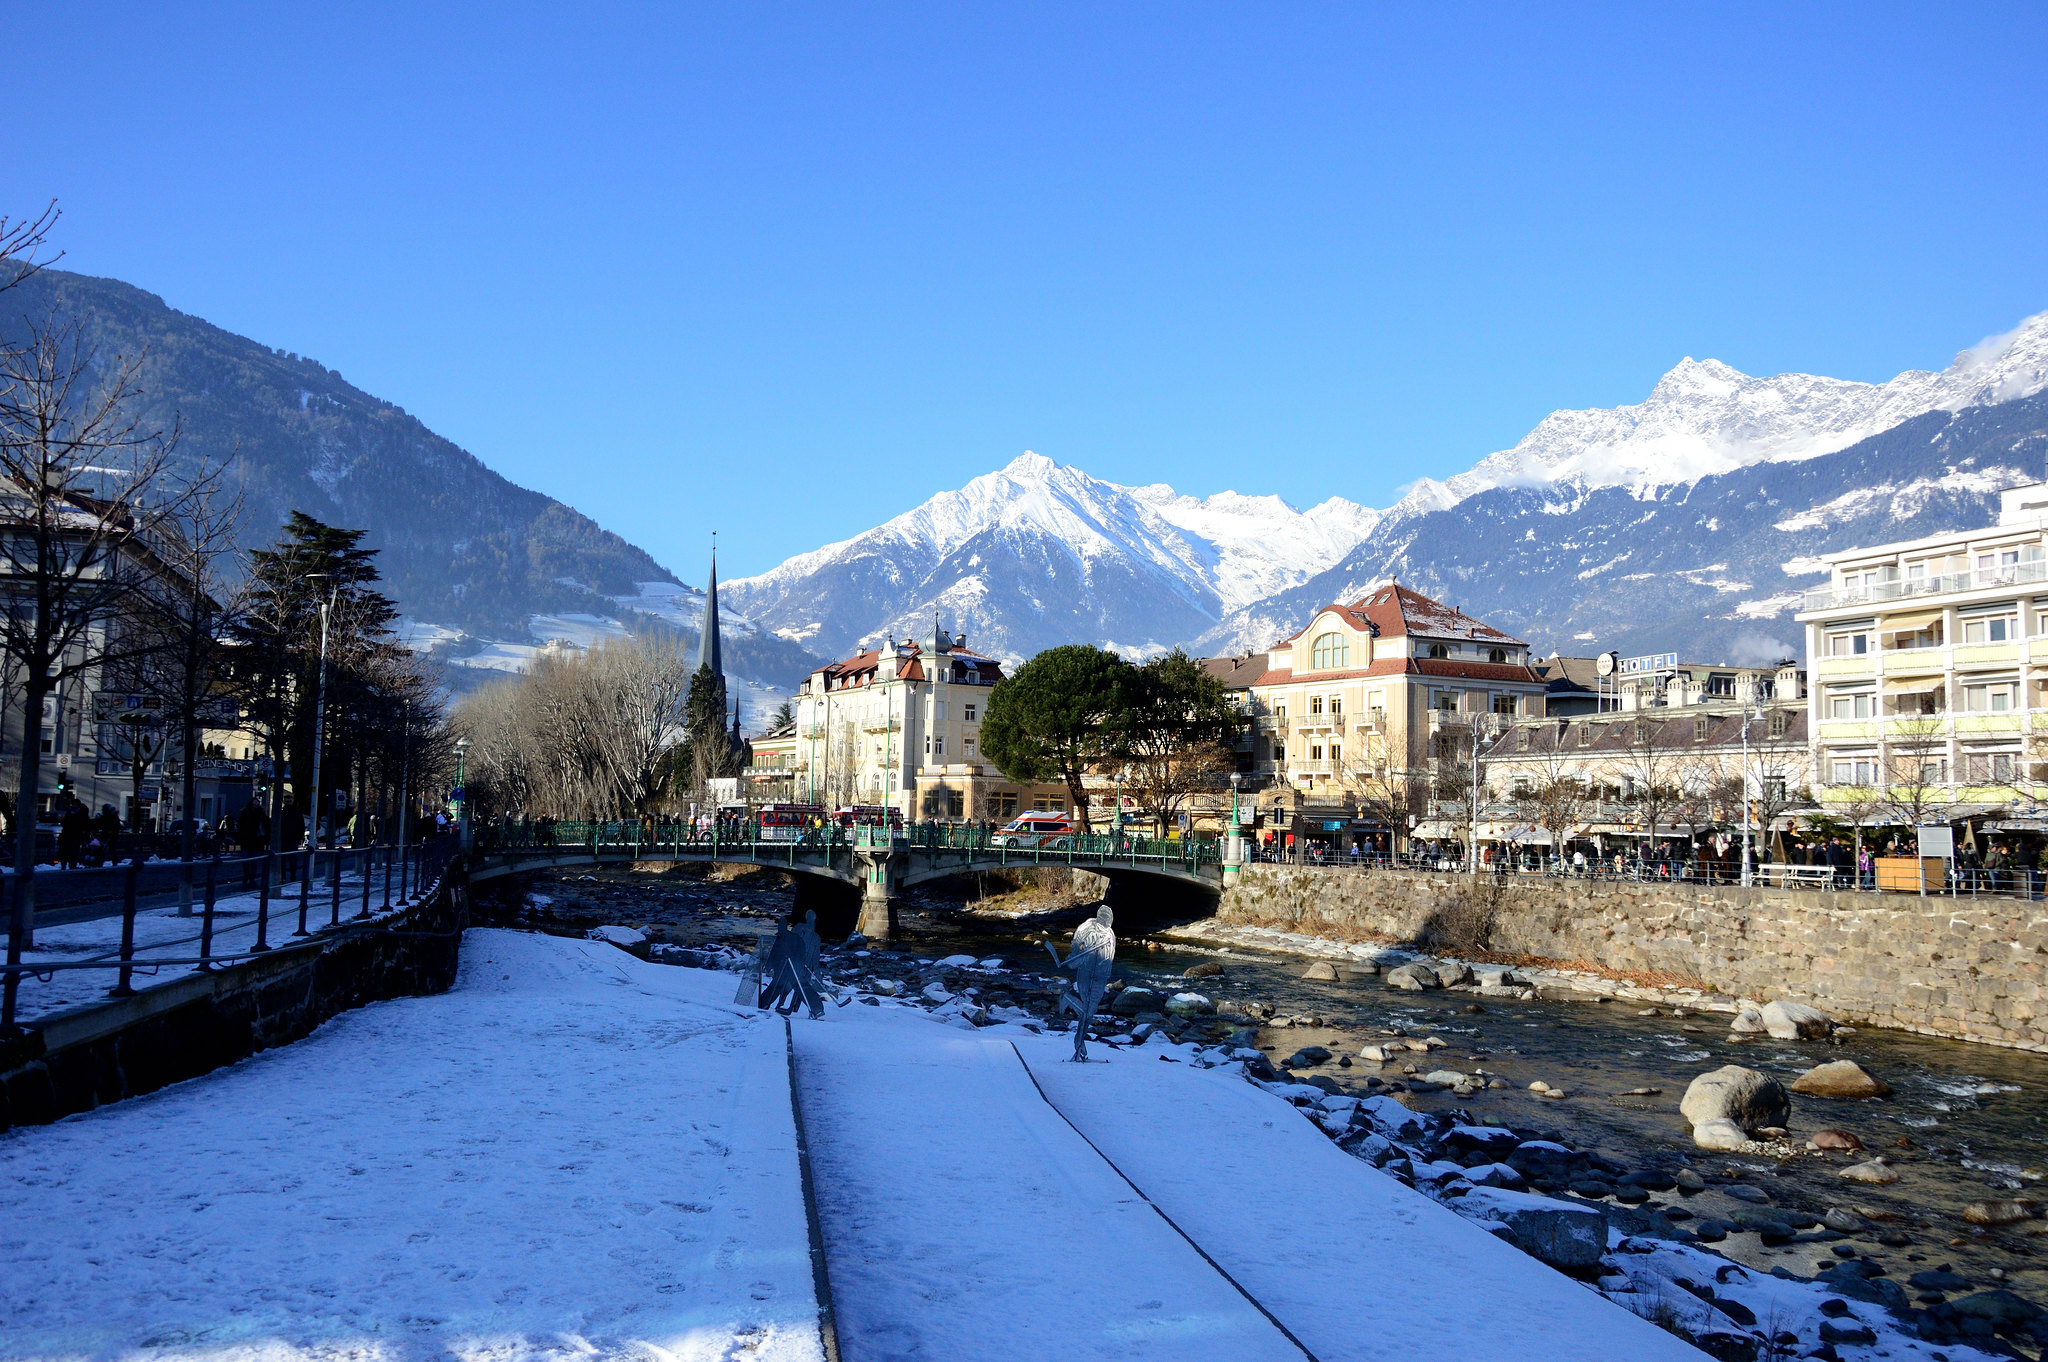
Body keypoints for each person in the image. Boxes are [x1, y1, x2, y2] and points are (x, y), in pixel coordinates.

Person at [1051, 906, 1117, 1062]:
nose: (1107, 922)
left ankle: (1067, 998)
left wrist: (1106, 973)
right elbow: (1076, 944)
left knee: (1090, 1011)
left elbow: (1111, 956)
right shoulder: (1087, 926)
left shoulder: (1110, 933)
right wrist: (1076, 955)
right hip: (1086, 973)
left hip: (1100, 977)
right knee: (1086, 1009)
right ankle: (1079, 1046)